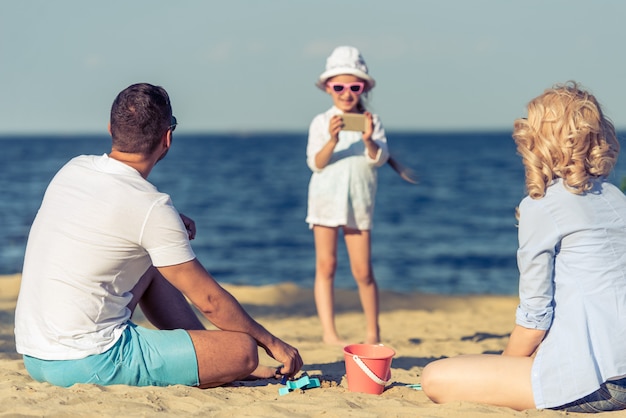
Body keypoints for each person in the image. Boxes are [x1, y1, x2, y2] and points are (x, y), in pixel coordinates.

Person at [14, 83, 303, 389]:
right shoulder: (150, 207)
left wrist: (169, 223)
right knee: (244, 351)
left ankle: (208, 356)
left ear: (111, 129)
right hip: (89, 360)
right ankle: (218, 363)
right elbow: (208, 302)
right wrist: (272, 343)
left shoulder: (74, 169)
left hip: (36, 355)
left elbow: (101, 216)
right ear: (167, 139)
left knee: (152, 263)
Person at [421, 81, 626, 413]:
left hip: (595, 381)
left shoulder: (543, 206)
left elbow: (534, 321)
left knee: (435, 376)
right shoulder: (616, 198)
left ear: (539, 142)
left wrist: (502, 369)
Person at [306, 46, 389, 345]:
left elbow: (379, 158)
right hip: (325, 201)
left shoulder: (372, 121)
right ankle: (329, 333)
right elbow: (316, 162)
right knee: (326, 266)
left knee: (363, 270)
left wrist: (368, 140)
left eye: (354, 86)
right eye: (338, 86)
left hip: (359, 203)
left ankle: (373, 333)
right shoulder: (321, 122)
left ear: (363, 87)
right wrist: (332, 139)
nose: (346, 93)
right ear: (328, 88)